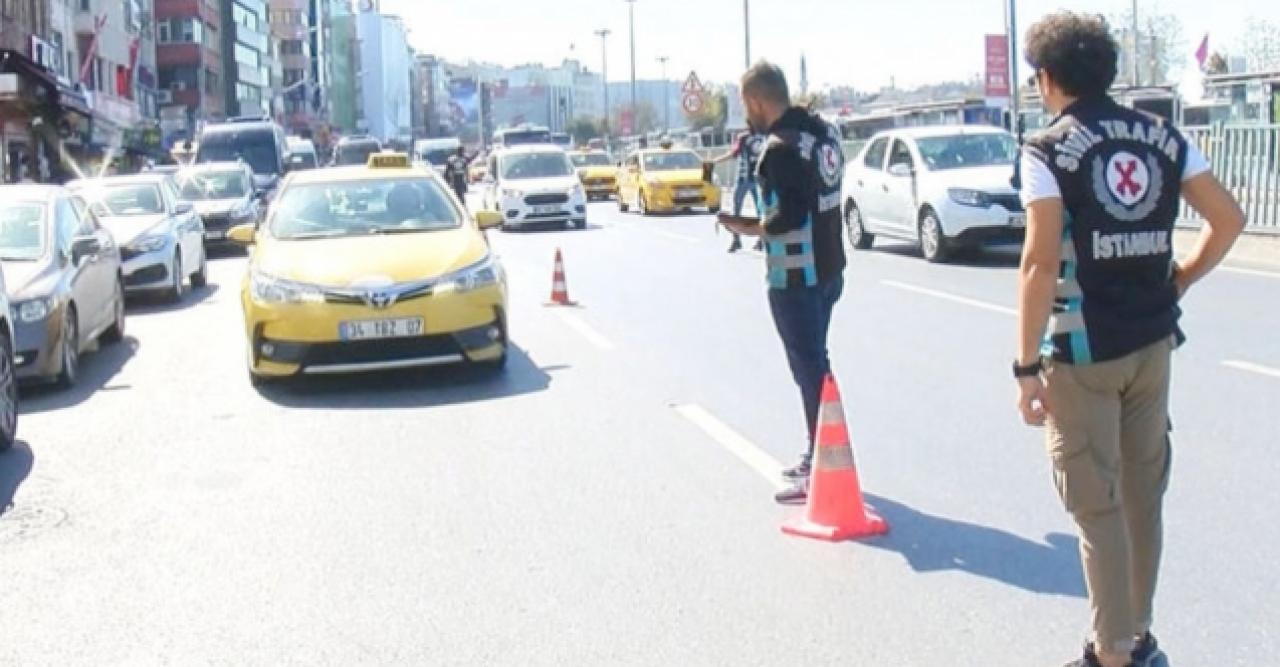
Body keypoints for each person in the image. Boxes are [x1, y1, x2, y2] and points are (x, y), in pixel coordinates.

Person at [1014, 13, 1245, 667]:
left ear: (1048, 78)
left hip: (1084, 354)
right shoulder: (1163, 136)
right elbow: (1228, 218)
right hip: (1153, 344)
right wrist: (1183, 279)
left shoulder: (1048, 149)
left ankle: (1113, 653)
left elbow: (1036, 261)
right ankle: (1138, 633)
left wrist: (1025, 366)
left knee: (1097, 504)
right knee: (1144, 493)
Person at [718, 61, 847, 505]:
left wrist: (742, 225)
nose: (745, 113)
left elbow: (787, 216)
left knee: (809, 369)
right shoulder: (823, 133)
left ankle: (821, 465)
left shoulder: (780, 148)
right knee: (817, 364)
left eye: (744, 104)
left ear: (756, 100)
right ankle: (819, 452)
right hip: (830, 269)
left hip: (796, 275)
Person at [711, 130, 766, 252]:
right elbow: (734, 153)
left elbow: (732, 153)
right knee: (760, 210)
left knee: (738, 210)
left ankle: (738, 240)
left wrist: (715, 161)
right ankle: (756, 240)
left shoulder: (744, 137)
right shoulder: (763, 136)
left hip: (745, 179)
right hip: (756, 179)